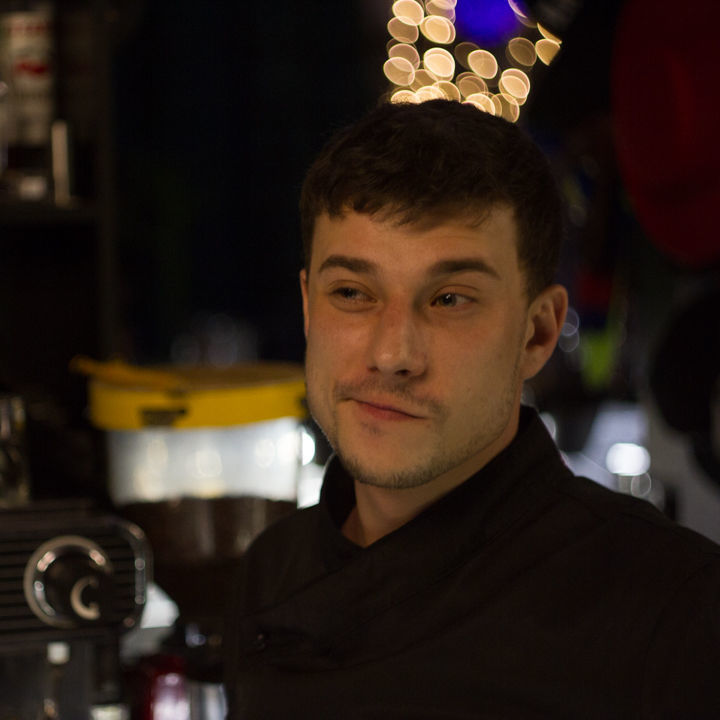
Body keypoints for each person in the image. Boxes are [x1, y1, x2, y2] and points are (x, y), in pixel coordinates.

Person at [224, 99, 720, 718]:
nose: (392, 354)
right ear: (307, 308)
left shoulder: (676, 612)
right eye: (352, 293)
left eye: (450, 299)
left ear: (538, 333)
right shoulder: (269, 571)